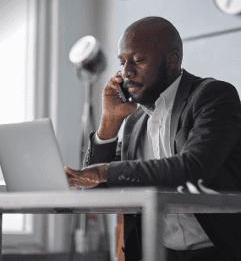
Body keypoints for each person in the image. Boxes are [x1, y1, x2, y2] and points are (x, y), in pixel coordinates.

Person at [64, 16, 241, 261]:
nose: (126, 72)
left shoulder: (213, 96)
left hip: (218, 251)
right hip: (157, 253)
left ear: (172, 60)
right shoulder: (134, 121)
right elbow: (96, 190)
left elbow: (193, 167)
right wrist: (109, 123)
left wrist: (105, 171)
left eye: (137, 60)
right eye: (122, 62)